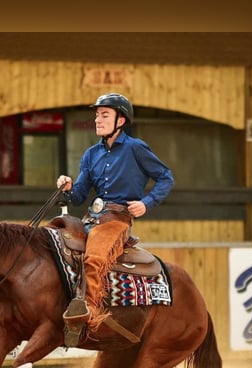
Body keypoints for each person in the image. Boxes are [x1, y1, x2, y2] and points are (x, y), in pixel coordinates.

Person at [56, 93, 175, 345]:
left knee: (94, 257)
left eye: (104, 115)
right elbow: (78, 197)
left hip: (117, 220)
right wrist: (68, 186)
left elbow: (166, 176)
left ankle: (88, 313)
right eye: (97, 115)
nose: (97, 119)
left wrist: (146, 203)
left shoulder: (136, 148)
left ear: (121, 120)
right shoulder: (90, 154)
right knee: (55, 243)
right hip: (91, 217)